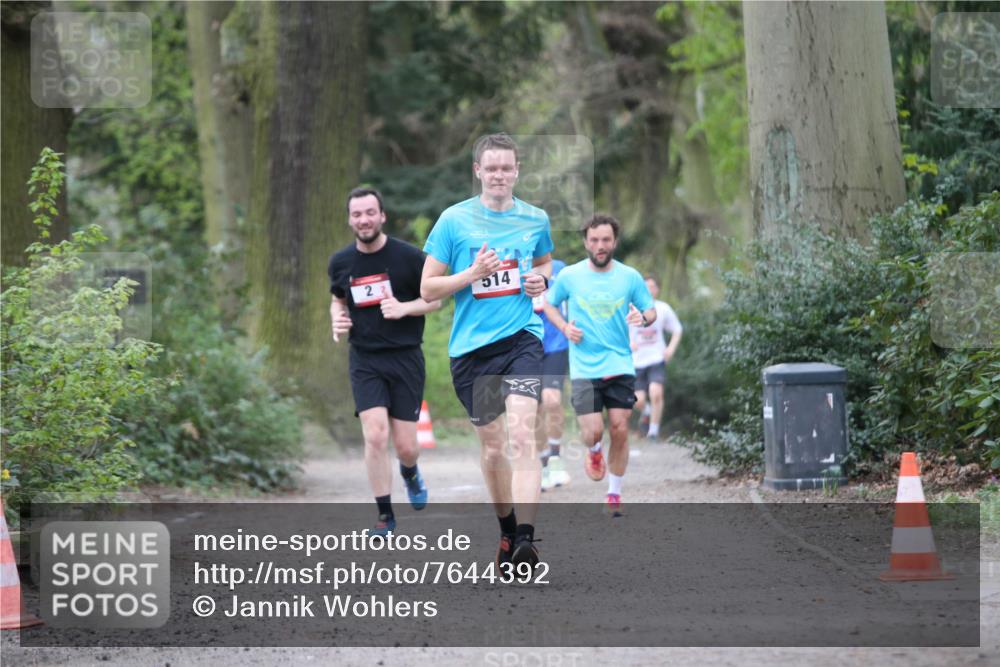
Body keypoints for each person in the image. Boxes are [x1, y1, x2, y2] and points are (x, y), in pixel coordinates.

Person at [421, 133, 553, 568]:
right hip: (473, 352)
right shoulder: (453, 222)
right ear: (478, 171)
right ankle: (507, 532)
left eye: (506, 168)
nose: (499, 175)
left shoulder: (535, 219)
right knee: (494, 449)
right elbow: (428, 288)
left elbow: (544, 264)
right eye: (491, 168)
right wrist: (473, 272)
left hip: (522, 340)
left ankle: (527, 541)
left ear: (517, 171)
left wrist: (541, 281)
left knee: (521, 435)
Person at [329, 187, 442, 536]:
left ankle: (410, 472)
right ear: (350, 219)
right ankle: (384, 515)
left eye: (369, 213)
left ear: (382, 216)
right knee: (375, 436)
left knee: (407, 447)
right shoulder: (341, 262)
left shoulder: (410, 258)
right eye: (357, 214)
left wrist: (404, 308)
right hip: (365, 359)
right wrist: (336, 317)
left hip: (406, 357)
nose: (363, 220)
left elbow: (435, 301)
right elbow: (337, 300)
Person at [542, 213, 655, 517]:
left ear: (614, 241)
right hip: (584, 367)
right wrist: (565, 328)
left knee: (619, 428)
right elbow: (549, 304)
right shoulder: (569, 276)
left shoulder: (629, 276)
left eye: (606, 240)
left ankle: (614, 494)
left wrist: (642, 318)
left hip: (620, 364)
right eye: (594, 240)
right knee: (593, 432)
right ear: (586, 242)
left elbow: (650, 309)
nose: (600, 245)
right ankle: (593, 451)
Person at [630, 275, 683, 442]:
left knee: (656, 392)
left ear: (657, 290)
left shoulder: (663, 308)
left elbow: (677, 329)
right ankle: (646, 411)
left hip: (656, 359)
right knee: (637, 399)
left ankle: (653, 432)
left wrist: (670, 349)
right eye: (646, 287)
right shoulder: (631, 308)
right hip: (636, 360)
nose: (649, 290)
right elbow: (618, 331)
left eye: (652, 287)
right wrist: (629, 342)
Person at [535, 259, 571, 491]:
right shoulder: (515, 265)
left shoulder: (561, 269)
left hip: (556, 343)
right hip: (526, 347)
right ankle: (545, 463)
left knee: (552, 399)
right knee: (531, 411)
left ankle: (556, 459)